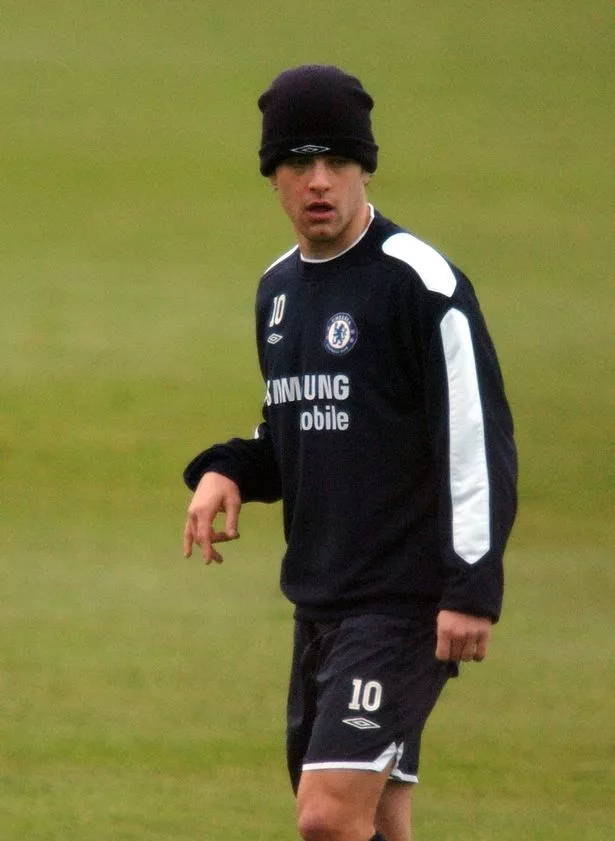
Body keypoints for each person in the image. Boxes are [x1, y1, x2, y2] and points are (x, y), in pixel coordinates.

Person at [182, 65, 517, 841]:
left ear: (366, 166)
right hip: (322, 597)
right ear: (272, 177)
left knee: (326, 817)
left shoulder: (418, 284)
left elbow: (475, 436)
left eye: (337, 161)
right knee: (377, 819)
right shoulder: (278, 291)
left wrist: (471, 585)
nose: (319, 181)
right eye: (297, 163)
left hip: (401, 600)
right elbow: (297, 426)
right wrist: (227, 466)